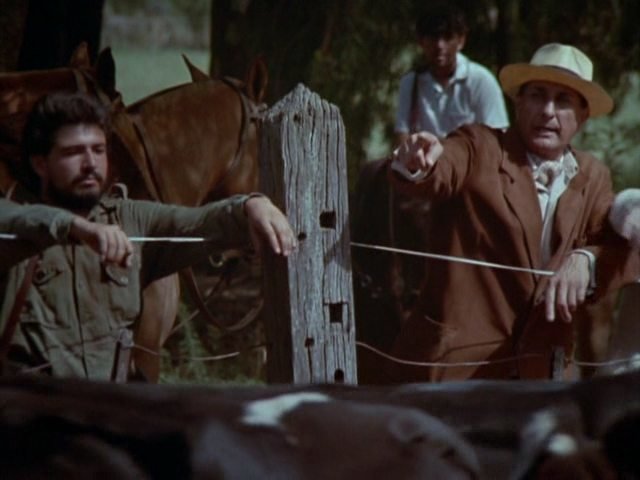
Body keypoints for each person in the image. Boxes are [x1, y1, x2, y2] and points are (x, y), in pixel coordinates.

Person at [385, 43, 639, 382]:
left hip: (542, 380)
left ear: (583, 115)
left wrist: (586, 260)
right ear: (518, 102)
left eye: (563, 100)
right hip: (454, 373)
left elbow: (619, 249)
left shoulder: (593, 176)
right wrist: (419, 161)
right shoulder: (480, 146)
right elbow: (445, 165)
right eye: (537, 95)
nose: (547, 111)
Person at [0, 91, 296, 380]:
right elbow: (12, 218)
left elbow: (198, 222)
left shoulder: (130, 219)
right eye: (73, 152)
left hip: (110, 406)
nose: (90, 164)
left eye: (98, 150)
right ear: (40, 164)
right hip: (31, 408)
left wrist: (250, 206)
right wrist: (76, 227)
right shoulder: (16, 221)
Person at [394, 4, 509, 145]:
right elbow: (403, 134)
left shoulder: (480, 80)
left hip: (470, 158)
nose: (439, 45)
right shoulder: (411, 82)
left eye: (447, 37)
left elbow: (496, 137)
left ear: (461, 41)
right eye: (433, 37)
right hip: (424, 158)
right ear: (421, 41)